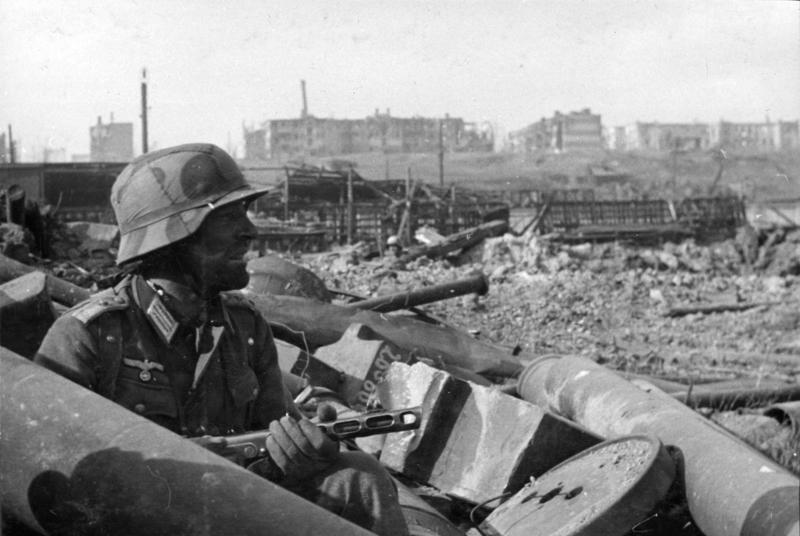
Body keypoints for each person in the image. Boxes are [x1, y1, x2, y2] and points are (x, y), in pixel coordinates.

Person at [34, 143, 409, 536]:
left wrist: (306, 454)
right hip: (140, 522)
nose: (249, 230)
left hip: (229, 510)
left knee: (359, 478)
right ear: (173, 237)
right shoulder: (89, 335)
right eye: (228, 216)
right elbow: (51, 477)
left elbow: (275, 436)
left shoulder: (243, 328)